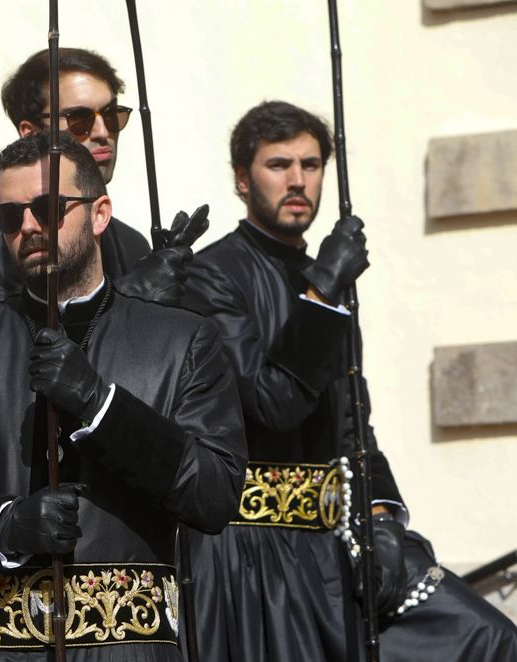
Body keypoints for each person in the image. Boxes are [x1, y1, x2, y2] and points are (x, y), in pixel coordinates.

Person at [0, 132, 247, 661]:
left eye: (48, 208)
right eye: (11, 217)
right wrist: (5, 525)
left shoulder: (183, 341)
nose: (29, 226)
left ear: (100, 214)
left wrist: (101, 404)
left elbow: (214, 495)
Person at [182, 100, 517, 661]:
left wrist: (385, 518)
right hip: (260, 555)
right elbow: (272, 402)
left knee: (488, 639)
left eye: (311, 166)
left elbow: (353, 424)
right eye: (278, 164)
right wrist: (323, 291)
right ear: (242, 179)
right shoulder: (212, 276)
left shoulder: (328, 282)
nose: (297, 180)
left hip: (341, 538)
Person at [0, 47, 192, 312]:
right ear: (30, 133)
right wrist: (130, 300)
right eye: (79, 119)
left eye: (110, 115)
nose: (101, 132)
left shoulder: (130, 242)